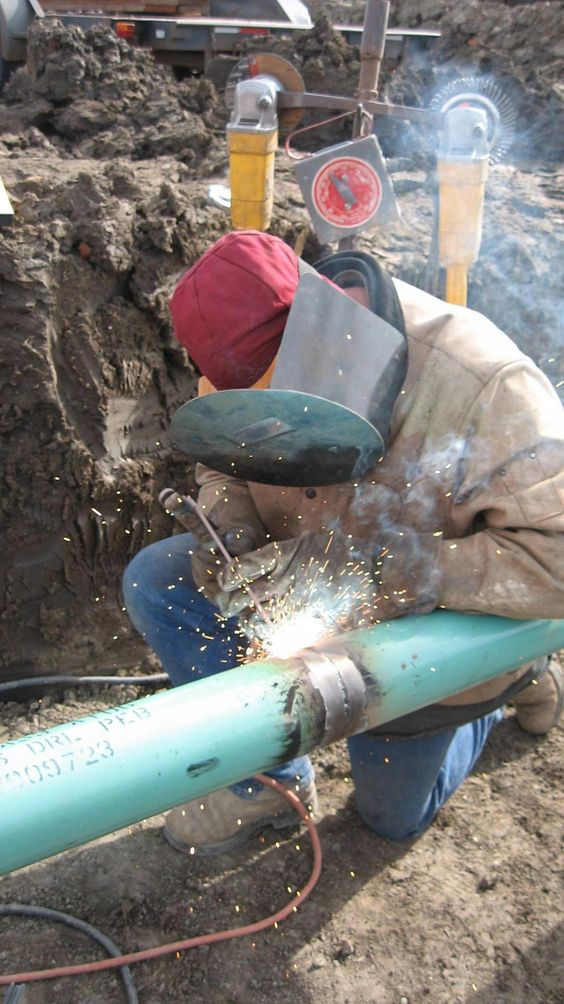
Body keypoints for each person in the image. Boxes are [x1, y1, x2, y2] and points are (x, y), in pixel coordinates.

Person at [123, 230, 564, 854]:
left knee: (389, 818)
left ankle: (517, 674)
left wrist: (380, 569)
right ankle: (267, 786)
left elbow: (555, 560)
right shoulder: (239, 354)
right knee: (158, 583)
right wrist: (233, 524)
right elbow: (221, 461)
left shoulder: (486, 384)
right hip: (301, 583)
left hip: (431, 626)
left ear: (325, 333)